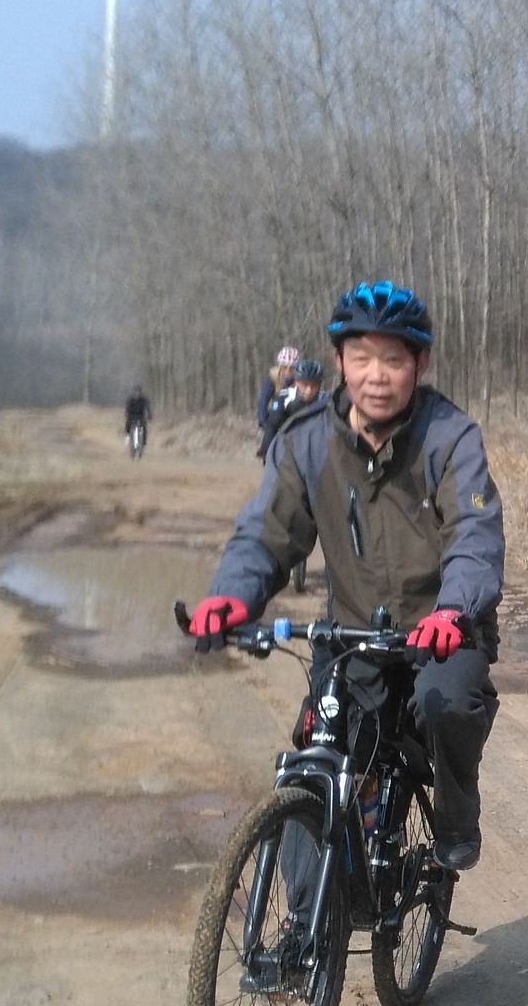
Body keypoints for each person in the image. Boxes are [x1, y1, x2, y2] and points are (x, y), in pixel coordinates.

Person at [187, 283, 504, 875]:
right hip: (353, 637)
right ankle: (299, 941)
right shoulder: (306, 441)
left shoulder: (451, 438)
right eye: (361, 357)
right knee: (316, 758)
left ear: (420, 364)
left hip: (442, 633)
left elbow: (475, 537)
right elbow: (267, 533)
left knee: (446, 703)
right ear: (338, 362)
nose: (376, 376)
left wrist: (454, 609)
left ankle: (458, 810)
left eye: (394, 359)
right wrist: (231, 596)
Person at [257, 358, 324, 462]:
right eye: (305, 385)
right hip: (289, 449)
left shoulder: (326, 401)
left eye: (314, 385)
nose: (309, 390)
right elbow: (272, 426)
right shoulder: (284, 398)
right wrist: (267, 454)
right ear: (296, 382)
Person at [255, 345, 303, 434]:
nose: (288, 371)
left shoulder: (301, 378)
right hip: (277, 412)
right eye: (285, 367)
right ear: (280, 367)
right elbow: (263, 401)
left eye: (292, 368)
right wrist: (264, 421)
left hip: (296, 413)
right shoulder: (272, 378)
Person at [124, 383, 150, 456]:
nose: (137, 393)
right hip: (132, 416)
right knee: (127, 425)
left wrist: (150, 414)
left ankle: (143, 443)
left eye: (138, 392)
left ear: (141, 392)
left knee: (144, 428)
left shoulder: (144, 399)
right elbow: (127, 407)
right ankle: (128, 437)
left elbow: (148, 407)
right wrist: (126, 413)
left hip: (141, 416)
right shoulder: (130, 399)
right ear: (133, 392)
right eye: (136, 392)